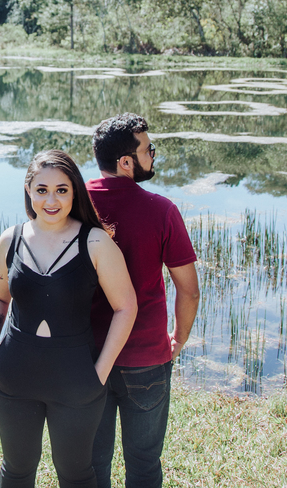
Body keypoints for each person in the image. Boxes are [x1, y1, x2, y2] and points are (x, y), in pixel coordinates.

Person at [0, 149, 138, 488]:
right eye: (42, 190)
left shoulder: (95, 242)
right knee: (17, 468)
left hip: (76, 382)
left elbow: (126, 307)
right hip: (13, 377)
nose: (51, 200)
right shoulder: (11, 239)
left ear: (74, 192)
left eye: (61, 190)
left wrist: (100, 371)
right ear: (28, 190)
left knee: (75, 473)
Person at [88, 113, 199, 488]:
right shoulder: (161, 210)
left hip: (87, 357)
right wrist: (178, 339)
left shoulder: (72, 203)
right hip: (147, 359)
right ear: (126, 162)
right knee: (145, 464)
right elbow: (189, 289)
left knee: (92, 464)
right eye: (149, 149)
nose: (154, 155)